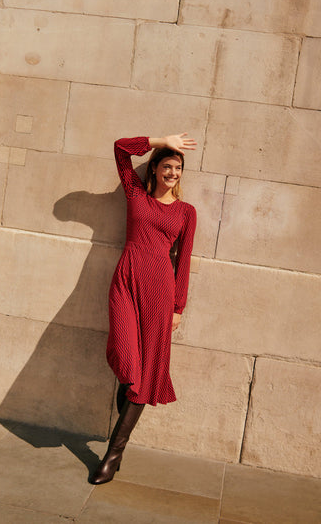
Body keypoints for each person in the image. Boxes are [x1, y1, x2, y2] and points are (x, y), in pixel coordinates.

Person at [89, 134, 197, 485]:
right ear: (154, 168)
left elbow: (183, 262)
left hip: (160, 291)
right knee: (126, 359)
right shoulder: (135, 193)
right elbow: (120, 149)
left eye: (178, 168)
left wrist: (178, 306)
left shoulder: (185, 212)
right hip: (126, 281)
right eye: (167, 165)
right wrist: (160, 140)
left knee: (144, 371)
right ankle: (118, 447)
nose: (173, 172)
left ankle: (113, 453)